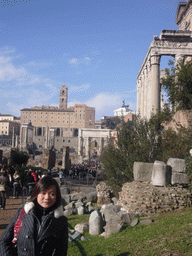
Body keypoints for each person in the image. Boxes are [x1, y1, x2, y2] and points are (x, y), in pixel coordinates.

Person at [0, 175, 68, 256]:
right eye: (43, 193)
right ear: (37, 194)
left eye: (52, 194)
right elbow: (4, 241)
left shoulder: (60, 221)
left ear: (56, 197)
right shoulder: (24, 212)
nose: (47, 197)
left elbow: (61, 251)